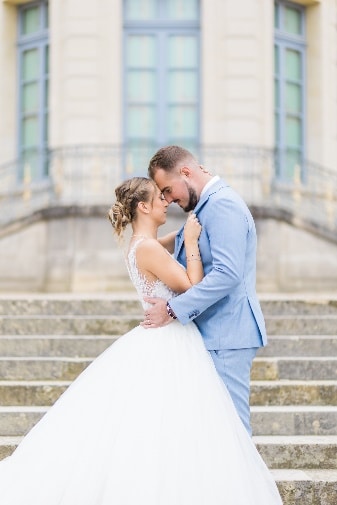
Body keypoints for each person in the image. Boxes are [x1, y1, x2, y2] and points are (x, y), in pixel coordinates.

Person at [0, 177, 282, 504]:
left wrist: (189, 232)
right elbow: (193, 286)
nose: (166, 202)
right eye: (159, 198)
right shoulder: (148, 248)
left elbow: (164, 244)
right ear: (143, 206)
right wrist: (191, 242)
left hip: (161, 338)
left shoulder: (141, 244)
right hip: (170, 341)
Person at [143, 145, 267, 436]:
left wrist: (173, 310)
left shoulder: (222, 204)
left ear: (186, 172)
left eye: (168, 189)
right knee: (213, 430)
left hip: (227, 333)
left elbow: (228, 273)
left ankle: (241, 483)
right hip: (213, 332)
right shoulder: (206, 206)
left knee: (232, 429)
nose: (169, 199)